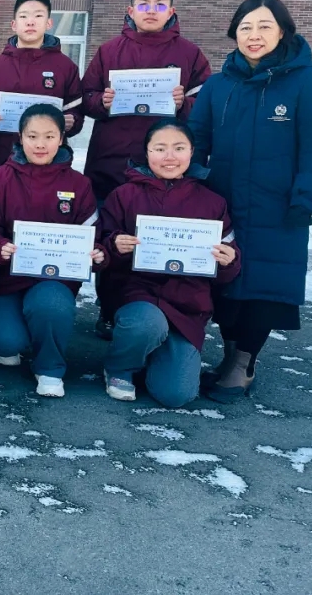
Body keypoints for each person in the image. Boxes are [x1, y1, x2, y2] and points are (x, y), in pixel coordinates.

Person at [188, 0, 312, 402]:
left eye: (265, 26)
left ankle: (243, 365)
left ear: (283, 31)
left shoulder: (307, 81)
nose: (254, 35)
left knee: (264, 287)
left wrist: (304, 199)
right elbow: (197, 140)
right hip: (224, 203)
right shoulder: (219, 85)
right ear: (234, 33)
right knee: (226, 284)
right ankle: (229, 357)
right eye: (246, 27)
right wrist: (192, 187)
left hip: (279, 208)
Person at [81, 0, 212, 338]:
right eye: (143, 4)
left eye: (159, 5)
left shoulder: (190, 54)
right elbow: (85, 98)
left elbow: (205, 105)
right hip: (112, 165)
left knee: (158, 240)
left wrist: (184, 103)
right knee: (115, 240)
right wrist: (101, 102)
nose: (150, 11)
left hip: (168, 169)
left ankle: (164, 313)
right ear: (130, 10)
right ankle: (109, 309)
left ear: (171, 11)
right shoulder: (109, 51)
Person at [98, 119, 240, 406]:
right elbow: (99, 251)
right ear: (147, 152)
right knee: (147, 324)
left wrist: (228, 261)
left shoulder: (213, 202)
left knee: (176, 395)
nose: (169, 157)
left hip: (187, 306)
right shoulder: (124, 195)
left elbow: (226, 270)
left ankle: (152, 355)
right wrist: (115, 245)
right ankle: (120, 367)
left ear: (192, 152)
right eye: (160, 148)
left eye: (179, 148)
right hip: (137, 298)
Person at [0, 105, 103, 397]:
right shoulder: (0, 178)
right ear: (20, 138)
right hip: (5, 280)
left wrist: (96, 252)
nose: (40, 144)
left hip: (53, 280)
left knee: (51, 304)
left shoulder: (78, 184)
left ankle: (49, 367)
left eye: (49, 136)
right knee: (6, 341)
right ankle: (16, 331)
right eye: (32, 136)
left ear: (61, 139)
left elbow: (92, 234)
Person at [0, 0, 84, 178]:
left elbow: (77, 110)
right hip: (1, 162)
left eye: (38, 16)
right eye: (24, 16)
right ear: (14, 24)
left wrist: (71, 121)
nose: (30, 22)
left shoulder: (66, 67)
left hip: (50, 166)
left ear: (49, 23)